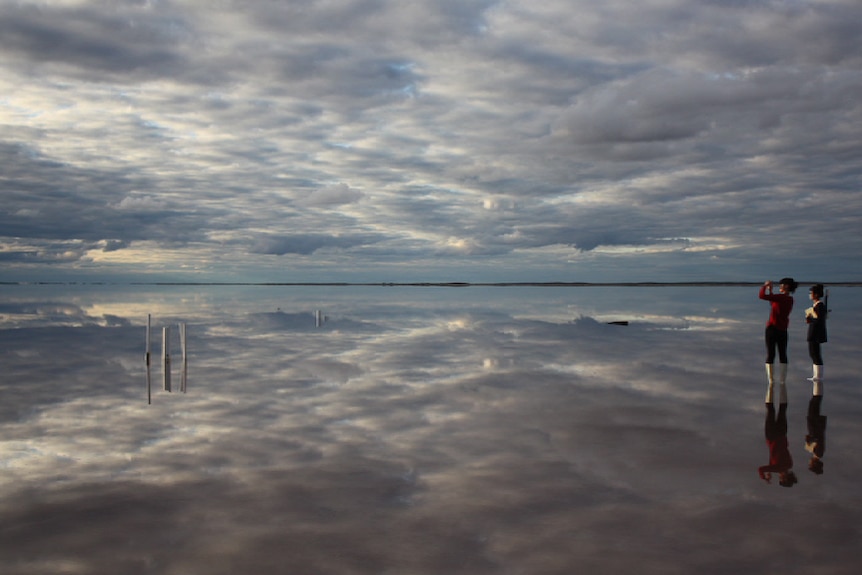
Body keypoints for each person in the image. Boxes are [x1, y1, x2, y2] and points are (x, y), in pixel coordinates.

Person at [759, 278, 798, 403]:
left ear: (786, 286)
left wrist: (765, 286)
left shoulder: (782, 298)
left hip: (772, 329)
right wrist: (771, 292)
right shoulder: (789, 299)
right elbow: (773, 304)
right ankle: (782, 380)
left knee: (771, 354)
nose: (780, 286)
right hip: (783, 330)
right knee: (782, 354)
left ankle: (771, 381)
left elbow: (761, 296)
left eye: (781, 285)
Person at [758, 402, 797, 487]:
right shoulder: (777, 468)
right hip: (771, 437)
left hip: (782, 435)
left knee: (782, 410)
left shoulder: (790, 464)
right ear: (784, 477)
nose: (779, 477)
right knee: (770, 410)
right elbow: (760, 469)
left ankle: (780, 388)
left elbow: (774, 455)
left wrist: (769, 471)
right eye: (781, 478)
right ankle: (771, 389)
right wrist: (763, 477)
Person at [805, 284, 827, 393]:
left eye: (811, 293)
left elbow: (819, 320)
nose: (810, 295)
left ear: (816, 294)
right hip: (813, 332)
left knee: (816, 353)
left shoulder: (820, 306)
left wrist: (811, 318)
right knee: (813, 353)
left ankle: (819, 376)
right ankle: (816, 375)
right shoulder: (817, 305)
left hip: (816, 333)